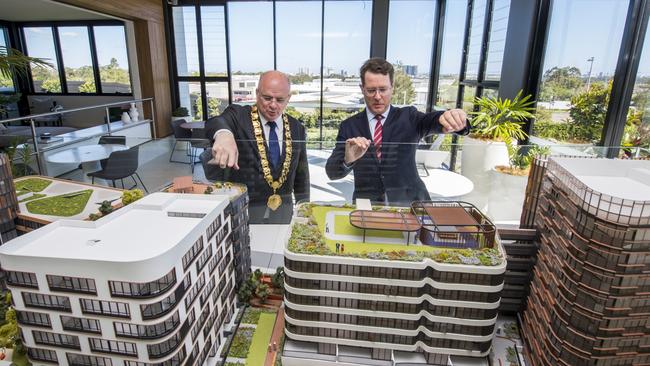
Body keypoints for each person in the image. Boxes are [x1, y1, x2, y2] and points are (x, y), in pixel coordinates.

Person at [325, 58, 469, 205]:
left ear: (392, 88)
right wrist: (348, 160)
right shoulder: (349, 126)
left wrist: (453, 119)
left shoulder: (409, 116)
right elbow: (332, 172)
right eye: (371, 90)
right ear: (362, 89)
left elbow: (433, 121)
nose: (377, 96)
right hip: (368, 207)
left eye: (383, 89)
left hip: (411, 203)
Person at [205, 71, 310, 224]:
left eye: (280, 100)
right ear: (257, 94)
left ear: (288, 99)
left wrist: (304, 209)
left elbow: (302, 174)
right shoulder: (238, 115)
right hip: (246, 211)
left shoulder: (297, 127)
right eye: (267, 98)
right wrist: (224, 134)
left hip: (283, 213)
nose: (273, 105)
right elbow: (216, 121)